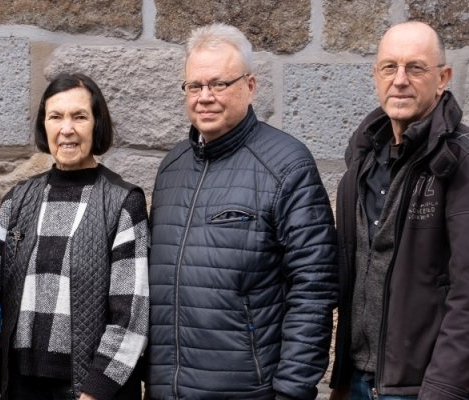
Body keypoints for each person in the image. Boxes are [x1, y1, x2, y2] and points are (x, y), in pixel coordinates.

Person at [145, 23, 338, 399]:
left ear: (250, 86)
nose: (205, 97)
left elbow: (313, 289)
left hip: (248, 390)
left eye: (219, 84)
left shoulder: (287, 165)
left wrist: (292, 391)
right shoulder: (172, 168)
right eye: (195, 86)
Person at [329, 21, 469, 400]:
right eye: (389, 67)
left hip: (425, 389)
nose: (399, 80)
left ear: (443, 78)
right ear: (375, 76)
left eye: (415, 68)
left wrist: (442, 391)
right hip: (362, 383)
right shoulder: (362, 164)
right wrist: (343, 380)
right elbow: (357, 278)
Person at [0, 73, 149, 400]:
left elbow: (131, 316)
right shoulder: (15, 202)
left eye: (80, 116)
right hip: (20, 387)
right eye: (55, 116)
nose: (67, 129)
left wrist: (96, 391)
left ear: (96, 125)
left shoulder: (122, 201)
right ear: (44, 126)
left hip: (91, 391)